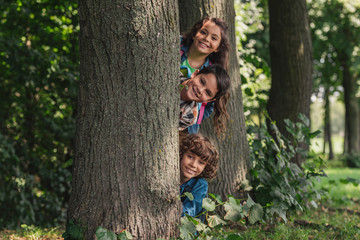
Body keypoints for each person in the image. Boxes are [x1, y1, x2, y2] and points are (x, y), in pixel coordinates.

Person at [180, 17, 230, 135]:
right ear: (194, 34)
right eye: (203, 32)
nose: (206, 39)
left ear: (218, 47)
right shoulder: (176, 45)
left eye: (214, 38)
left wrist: (194, 112)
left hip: (184, 119)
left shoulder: (212, 73)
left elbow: (207, 107)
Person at [179, 64, 230, 136]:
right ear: (195, 74)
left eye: (207, 93)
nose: (200, 90)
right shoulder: (175, 73)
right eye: (202, 81)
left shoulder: (188, 116)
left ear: (208, 100)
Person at [179, 134, 219, 219]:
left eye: (201, 162)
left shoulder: (200, 185)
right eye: (190, 157)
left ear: (206, 167)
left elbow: (190, 212)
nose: (193, 165)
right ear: (182, 154)